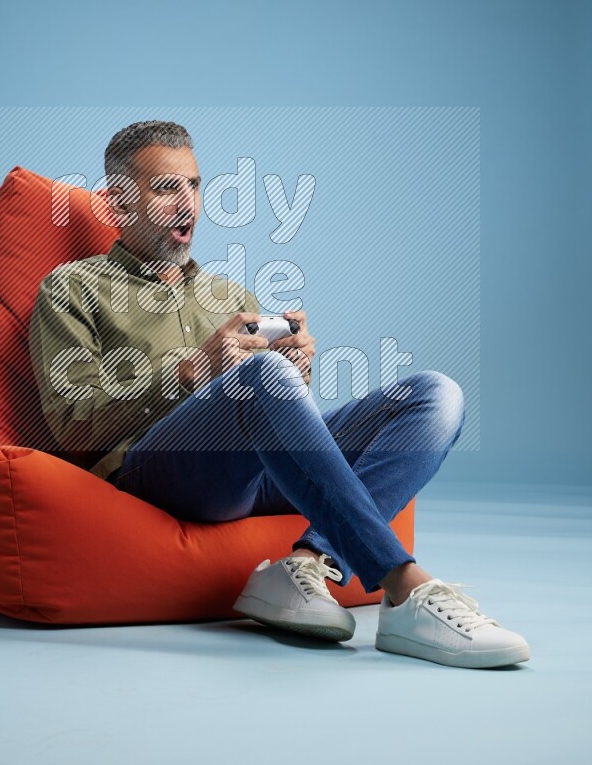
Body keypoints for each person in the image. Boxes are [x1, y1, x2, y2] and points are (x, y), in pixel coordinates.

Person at [29, 120, 531, 669]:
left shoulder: (229, 294)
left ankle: (304, 564)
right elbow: (71, 426)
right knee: (260, 376)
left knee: (436, 394)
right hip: (154, 473)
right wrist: (193, 373)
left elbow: (271, 412)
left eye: (195, 186)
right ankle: (404, 585)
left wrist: (295, 374)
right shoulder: (71, 287)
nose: (188, 204)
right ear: (118, 202)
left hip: (259, 472)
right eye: (166, 188)